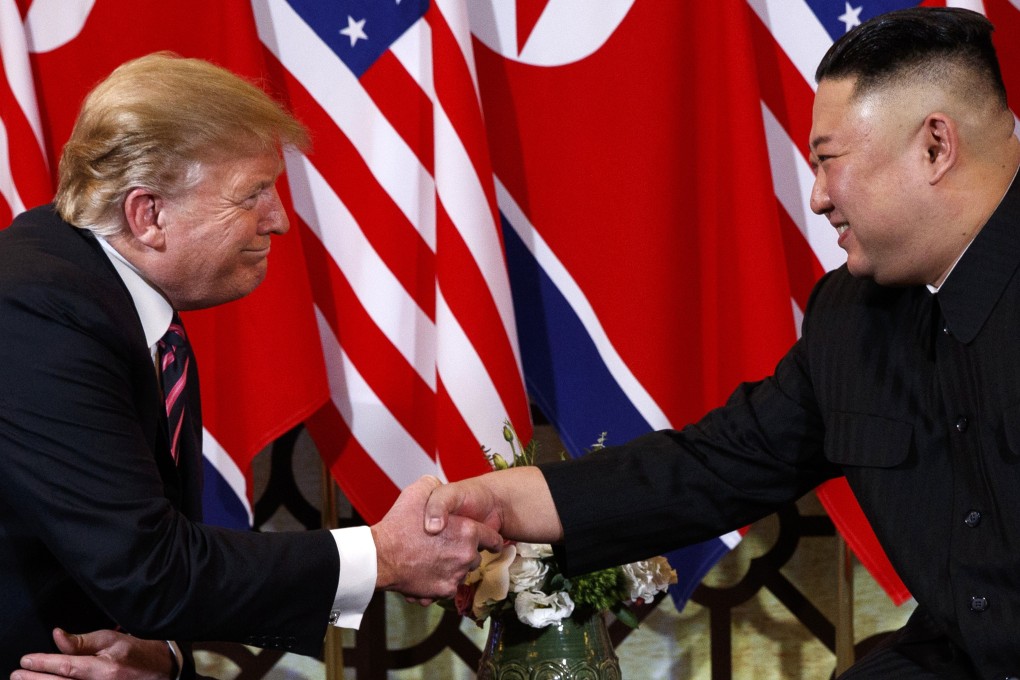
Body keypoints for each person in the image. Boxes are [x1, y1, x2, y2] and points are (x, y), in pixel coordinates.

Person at [425, 7, 1020, 679]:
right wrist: (500, 502)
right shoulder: (850, 319)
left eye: (829, 162)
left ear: (936, 147)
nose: (819, 198)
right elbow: (711, 468)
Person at [0, 53, 500, 679]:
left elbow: (123, 569)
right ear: (147, 214)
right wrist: (384, 555)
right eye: (252, 194)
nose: (280, 219)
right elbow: (149, 569)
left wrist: (168, 659)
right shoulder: (38, 311)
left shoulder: (108, 294)